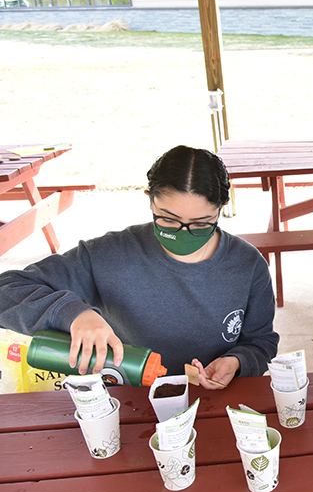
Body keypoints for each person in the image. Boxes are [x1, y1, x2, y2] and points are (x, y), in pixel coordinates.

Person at [0, 145, 279, 389]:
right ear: (149, 198)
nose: (183, 232)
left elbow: (261, 341)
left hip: (214, 400)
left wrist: (237, 361)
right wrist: (73, 314)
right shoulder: (108, 255)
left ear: (222, 208)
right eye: (168, 219)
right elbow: (7, 290)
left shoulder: (247, 265)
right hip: (129, 399)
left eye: (200, 223)